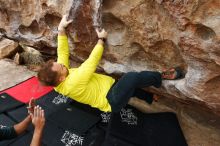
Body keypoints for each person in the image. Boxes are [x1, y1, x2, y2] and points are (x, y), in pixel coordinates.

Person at [38, 15, 183, 113]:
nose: (62, 64)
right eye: (61, 66)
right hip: (111, 101)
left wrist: (61, 29)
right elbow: (91, 63)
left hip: (109, 86)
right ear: (61, 78)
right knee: (130, 79)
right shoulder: (72, 83)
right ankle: (161, 77)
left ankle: (150, 98)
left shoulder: (59, 78)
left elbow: (62, 53)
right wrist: (101, 40)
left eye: (59, 64)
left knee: (129, 87)